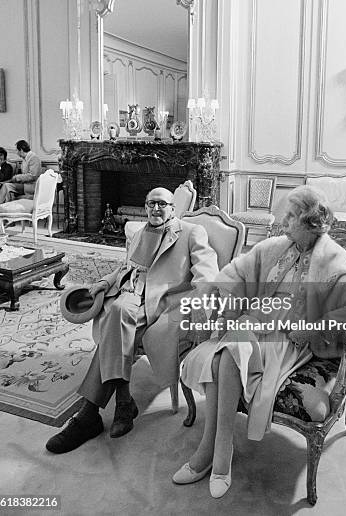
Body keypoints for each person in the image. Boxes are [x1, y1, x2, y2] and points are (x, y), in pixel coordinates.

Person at [172, 185, 346, 498]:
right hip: (254, 324)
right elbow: (234, 274)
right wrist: (209, 296)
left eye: (292, 217)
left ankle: (213, 457)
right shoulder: (275, 246)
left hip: (288, 340)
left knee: (225, 354)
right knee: (223, 352)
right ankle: (215, 455)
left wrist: (313, 329)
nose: (284, 222)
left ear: (311, 223)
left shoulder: (334, 258)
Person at [46, 187, 219, 454]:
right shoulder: (139, 232)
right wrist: (104, 282)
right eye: (151, 204)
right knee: (118, 315)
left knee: (116, 315)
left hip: (160, 300)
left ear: (173, 208)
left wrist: (189, 306)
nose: (156, 209)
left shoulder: (191, 232)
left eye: (162, 204)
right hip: (130, 293)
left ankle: (89, 414)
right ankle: (122, 402)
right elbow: (127, 267)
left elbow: (208, 278)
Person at [0, 140, 41, 210]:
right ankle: (5, 210)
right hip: (25, 185)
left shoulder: (33, 158)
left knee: (6, 186)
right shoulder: (25, 159)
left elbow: (33, 176)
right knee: (7, 186)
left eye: (17, 151)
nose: (16, 153)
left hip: (31, 187)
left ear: (21, 150)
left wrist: (17, 177)